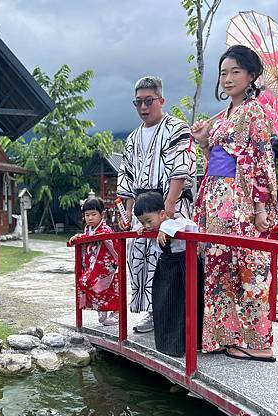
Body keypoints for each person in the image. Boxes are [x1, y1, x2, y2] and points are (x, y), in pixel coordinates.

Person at [191, 45, 278, 362]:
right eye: (223, 72)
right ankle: (228, 338)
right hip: (215, 196)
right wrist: (203, 141)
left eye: (235, 72)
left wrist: (260, 206)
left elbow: (262, 161)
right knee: (219, 269)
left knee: (248, 268)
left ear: (251, 75)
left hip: (240, 198)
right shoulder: (224, 114)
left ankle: (258, 342)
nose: (227, 79)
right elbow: (213, 160)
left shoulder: (254, 112)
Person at [117, 76, 196, 333]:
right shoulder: (131, 139)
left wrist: (170, 208)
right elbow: (126, 176)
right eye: (138, 102)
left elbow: (181, 169)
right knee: (138, 259)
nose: (143, 107)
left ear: (161, 100)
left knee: (168, 259)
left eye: (149, 101)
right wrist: (127, 214)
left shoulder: (177, 128)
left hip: (169, 204)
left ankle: (173, 313)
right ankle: (151, 312)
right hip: (142, 210)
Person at [134, 192, 202, 357]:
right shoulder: (155, 229)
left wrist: (165, 229)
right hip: (166, 269)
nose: (147, 226)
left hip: (184, 268)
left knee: (185, 306)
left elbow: (189, 225)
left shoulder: (174, 222)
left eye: (149, 221)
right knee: (163, 304)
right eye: (143, 222)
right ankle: (168, 344)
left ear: (162, 214)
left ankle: (189, 344)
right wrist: (148, 228)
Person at [69, 197, 120, 326]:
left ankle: (115, 312)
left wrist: (82, 237)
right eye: (87, 215)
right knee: (84, 281)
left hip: (105, 265)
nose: (90, 218)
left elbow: (110, 243)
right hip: (93, 265)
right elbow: (88, 238)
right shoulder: (88, 229)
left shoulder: (105, 230)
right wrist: (79, 237)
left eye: (93, 214)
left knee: (99, 284)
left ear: (101, 214)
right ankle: (101, 308)